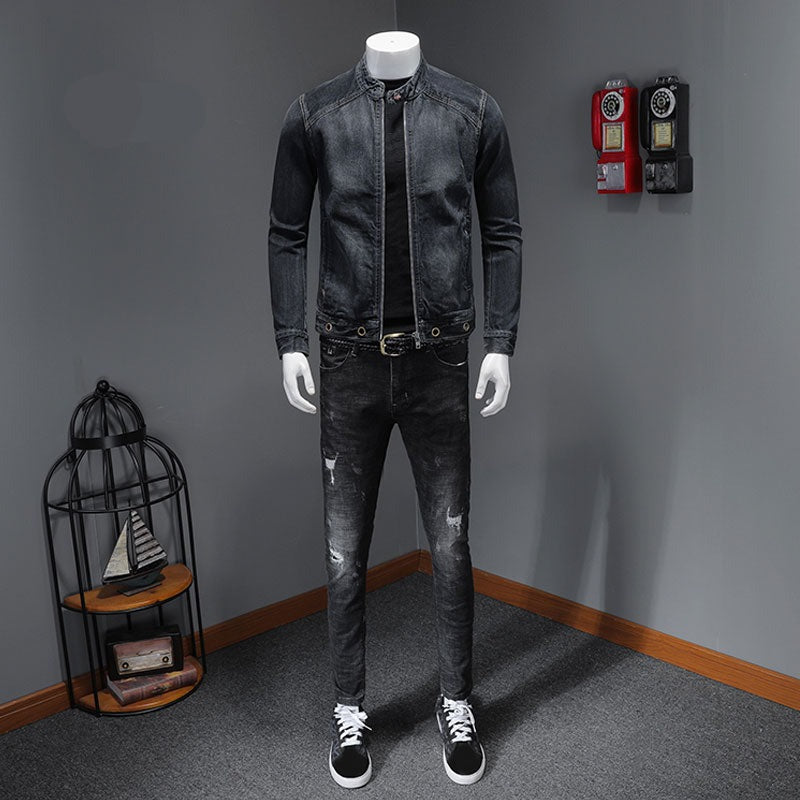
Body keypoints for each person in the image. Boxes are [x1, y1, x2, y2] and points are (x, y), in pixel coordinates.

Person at [267, 30, 522, 788]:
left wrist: (500, 342)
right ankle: (349, 710)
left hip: (439, 360)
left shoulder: (472, 113)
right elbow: (286, 233)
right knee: (344, 553)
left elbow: (503, 233)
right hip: (347, 360)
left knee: (450, 544)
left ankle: (456, 701)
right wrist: (290, 341)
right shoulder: (315, 116)